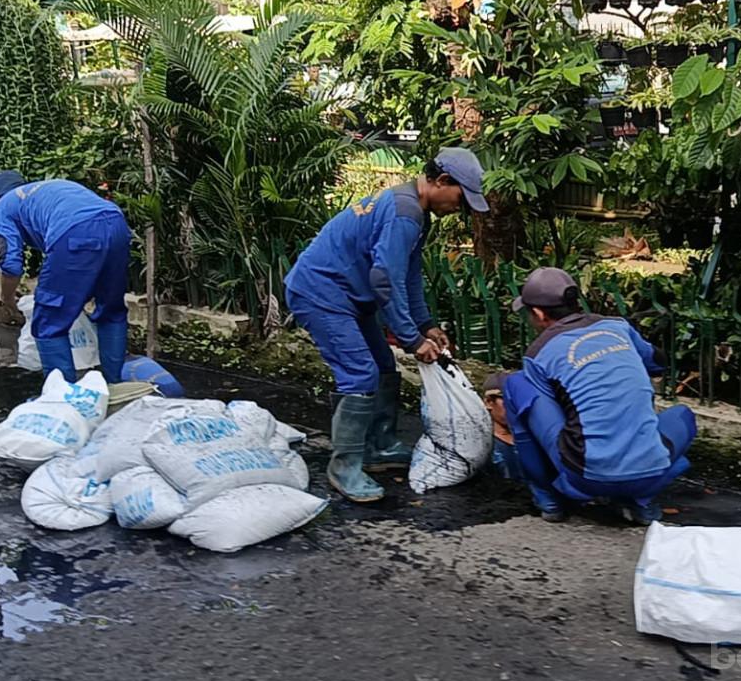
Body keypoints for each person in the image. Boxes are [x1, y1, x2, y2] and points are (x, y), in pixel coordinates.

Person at [285, 147, 490, 502]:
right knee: (360, 374)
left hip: (347, 294)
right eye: (460, 198)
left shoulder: (415, 212)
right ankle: (345, 465)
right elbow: (384, 280)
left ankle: (379, 446)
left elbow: (406, 276)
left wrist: (425, 324)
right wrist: (412, 340)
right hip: (321, 293)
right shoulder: (404, 213)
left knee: (382, 367)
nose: (461, 208)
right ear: (442, 181)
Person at [505, 267, 696, 524]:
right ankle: (641, 502)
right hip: (650, 472)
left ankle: (548, 499)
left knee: (515, 384)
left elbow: (546, 411)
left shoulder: (538, 354)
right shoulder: (618, 327)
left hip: (585, 476)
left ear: (539, 314)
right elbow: (657, 362)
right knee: (683, 416)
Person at [0, 171, 132, 385]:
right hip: (117, 224)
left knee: (47, 322)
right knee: (111, 311)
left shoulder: (1, 208)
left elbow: (11, 263)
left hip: (75, 231)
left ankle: (62, 397)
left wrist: (7, 298)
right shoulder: (44, 191)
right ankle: (113, 385)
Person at [483, 372, 567, 523]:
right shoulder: (481, 445)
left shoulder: (541, 439)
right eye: (508, 400)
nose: (516, 405)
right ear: (489, 402)